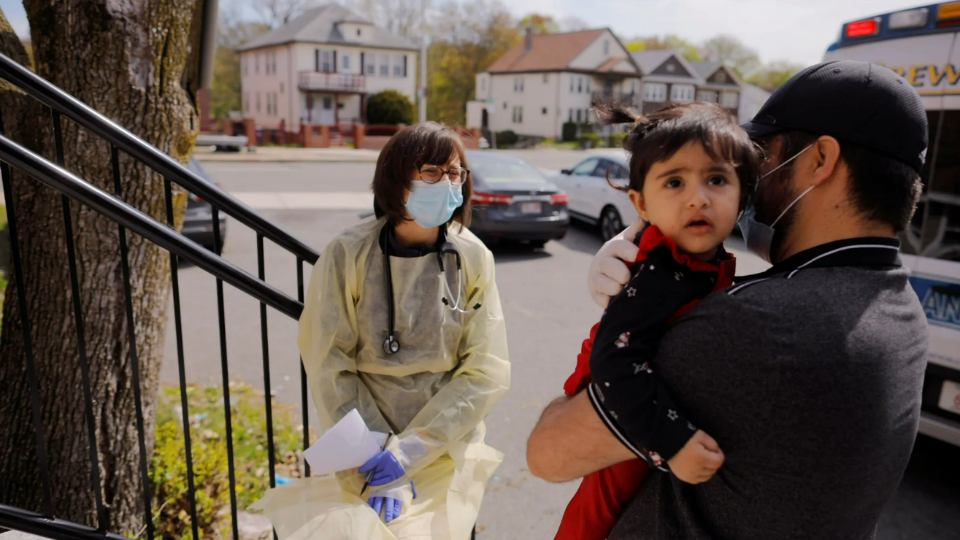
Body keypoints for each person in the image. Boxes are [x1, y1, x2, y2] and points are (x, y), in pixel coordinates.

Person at [527, 60, 930, 540]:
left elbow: (549, 453)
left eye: (759, 157)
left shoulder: (755, 327)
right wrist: (652, 245)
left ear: (820, 159)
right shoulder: (900, 309)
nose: (748, 182)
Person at [252, 122, 511, 540]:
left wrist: (410, 452)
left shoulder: (472, 257)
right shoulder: (348, 253)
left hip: (443, 446)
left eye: (455, 173)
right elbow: (329, 364)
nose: (446, 183)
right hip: (363, 448)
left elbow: (484, 370)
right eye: (431, 171)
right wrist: (375, 455)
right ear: (397, 178)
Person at [555, 101, 759, 540]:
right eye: (675, 181)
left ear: (743, 193)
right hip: (619, 418)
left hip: (636, 420)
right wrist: (673, 441)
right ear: (640, 204)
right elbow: (614, 362)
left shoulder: (704, 260)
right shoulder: (657, 269)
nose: (698, 196)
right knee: (592, 520)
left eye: (717, 179)